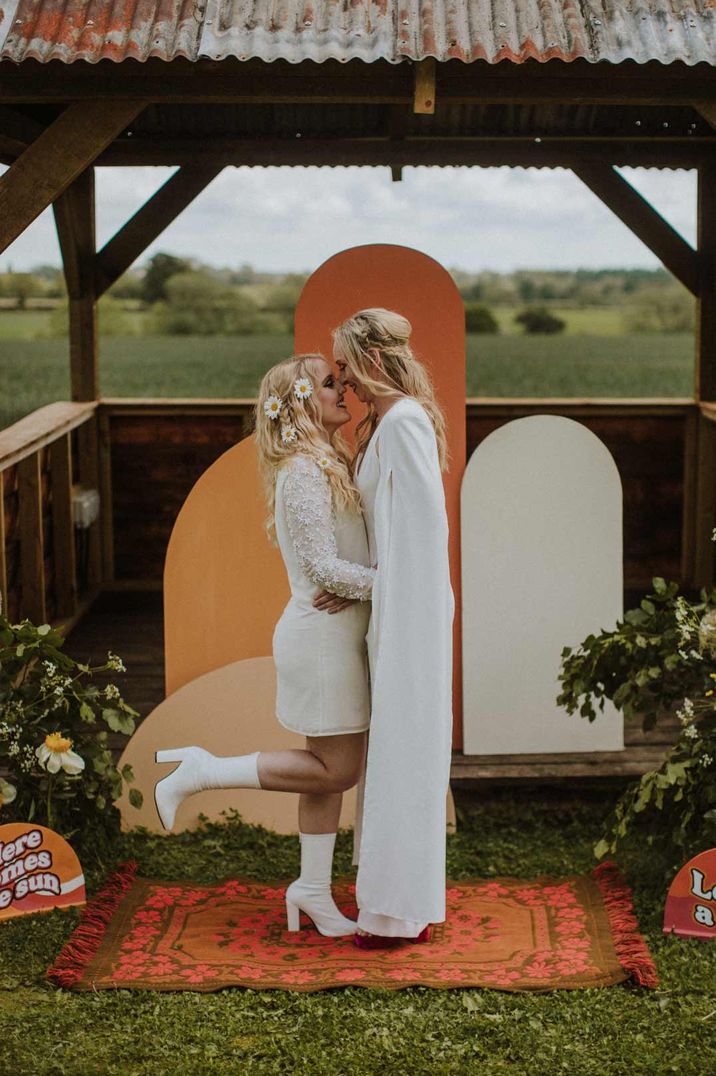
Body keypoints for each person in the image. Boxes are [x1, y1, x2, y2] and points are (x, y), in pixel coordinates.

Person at [154, 354, 375, 937]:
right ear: (303, 402)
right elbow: (324, 570)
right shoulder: (304, 469)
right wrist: (394, 586)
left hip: (337, 636)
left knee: (324, 773)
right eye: (331, 384)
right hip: (322, 641)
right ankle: (203, 770)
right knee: (337, 770)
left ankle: (311, 890)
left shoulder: (329, 459)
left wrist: (368, 587)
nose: (343, 390)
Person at [330, 308, 454, 949]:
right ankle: (395, 905)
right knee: (395, 749)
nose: (341, 380)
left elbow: (428, 531)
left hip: (411, 615)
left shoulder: (403, 421)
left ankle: (395, 915)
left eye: (346, 365)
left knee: (406, 749)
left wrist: (390, 599)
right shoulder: (387, 422)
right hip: (396, 609)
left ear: (369, 359)